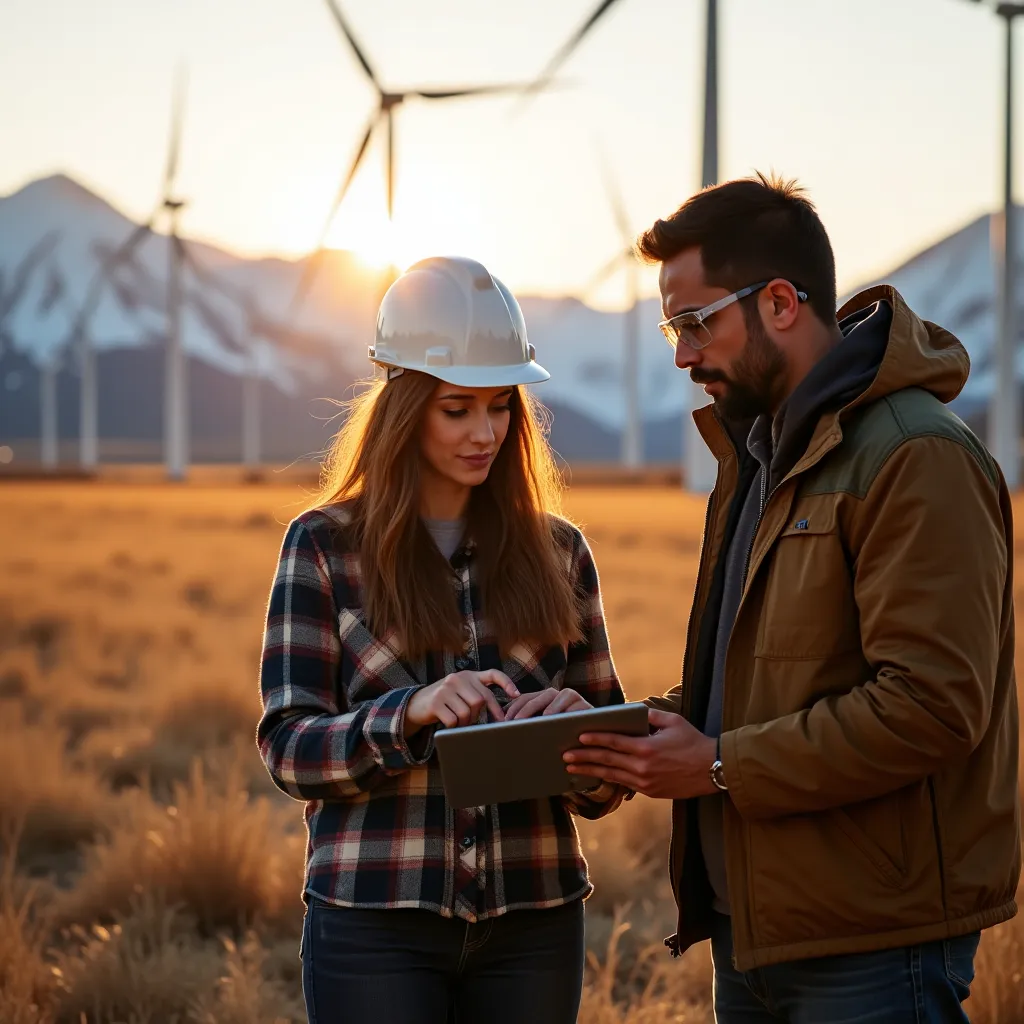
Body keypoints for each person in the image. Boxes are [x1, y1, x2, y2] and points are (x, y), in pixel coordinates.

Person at [562, 173, 1021, 1023]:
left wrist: (717, 765)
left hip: (875, 943)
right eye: (672, 327)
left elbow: (932, 707)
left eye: (696, 323)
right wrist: (625, 732)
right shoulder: (762, 459)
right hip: (762, 930)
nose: (681, 355)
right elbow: (765, 686)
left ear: (779, 302)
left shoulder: (914, 456)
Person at [256, 256, 627, 1024]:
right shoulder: (323, 547)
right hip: (373, 923)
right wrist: (411, 712)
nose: (485, 432)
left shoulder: (561, 552)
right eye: (457, 409)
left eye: (500, 407)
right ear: (405, 407)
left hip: (535, 921)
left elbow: (609, 779)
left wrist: (572, 730)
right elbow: (290, 749)